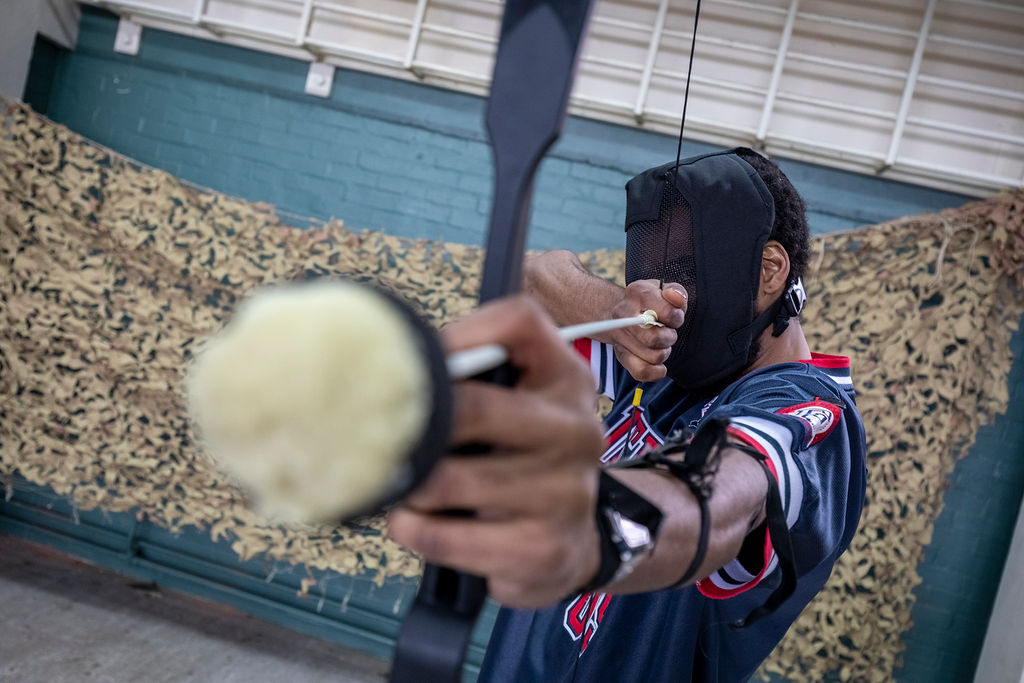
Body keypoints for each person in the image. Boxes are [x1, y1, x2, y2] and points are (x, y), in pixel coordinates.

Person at [389, 148, 867, 682]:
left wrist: (582, 522)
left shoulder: (809, 409)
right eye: (653, 269)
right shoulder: (661, 364)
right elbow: (530, 282)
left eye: (685, 268)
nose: (667, 292)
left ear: (769, 271)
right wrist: (615, 312)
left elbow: (716, 500)